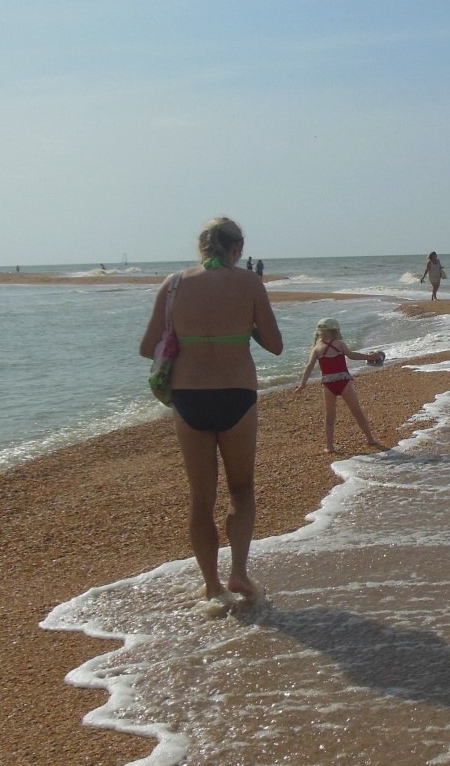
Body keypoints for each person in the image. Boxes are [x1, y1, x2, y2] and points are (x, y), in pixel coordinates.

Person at [140, 218, 283, 606]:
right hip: (237, 394)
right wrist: (242, 325)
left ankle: (211, 585)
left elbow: (146, 346)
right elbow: (275, 344)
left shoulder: (174, 285)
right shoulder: (250, 282)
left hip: (189, 397)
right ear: (237, 248)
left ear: (201, 247)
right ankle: (238, 572)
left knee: (200, 497)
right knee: (242, 489)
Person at [296, 318, 385, 454]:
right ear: (335, 331)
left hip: (328, 384)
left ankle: (330, 446)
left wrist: (302, 384)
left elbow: (309, 366)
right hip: (343, 381)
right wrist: (369, 357)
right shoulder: (339, 344)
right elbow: (352, 356)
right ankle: (370, 438)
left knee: (330, 416)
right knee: (357, 411)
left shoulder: (317, 348)